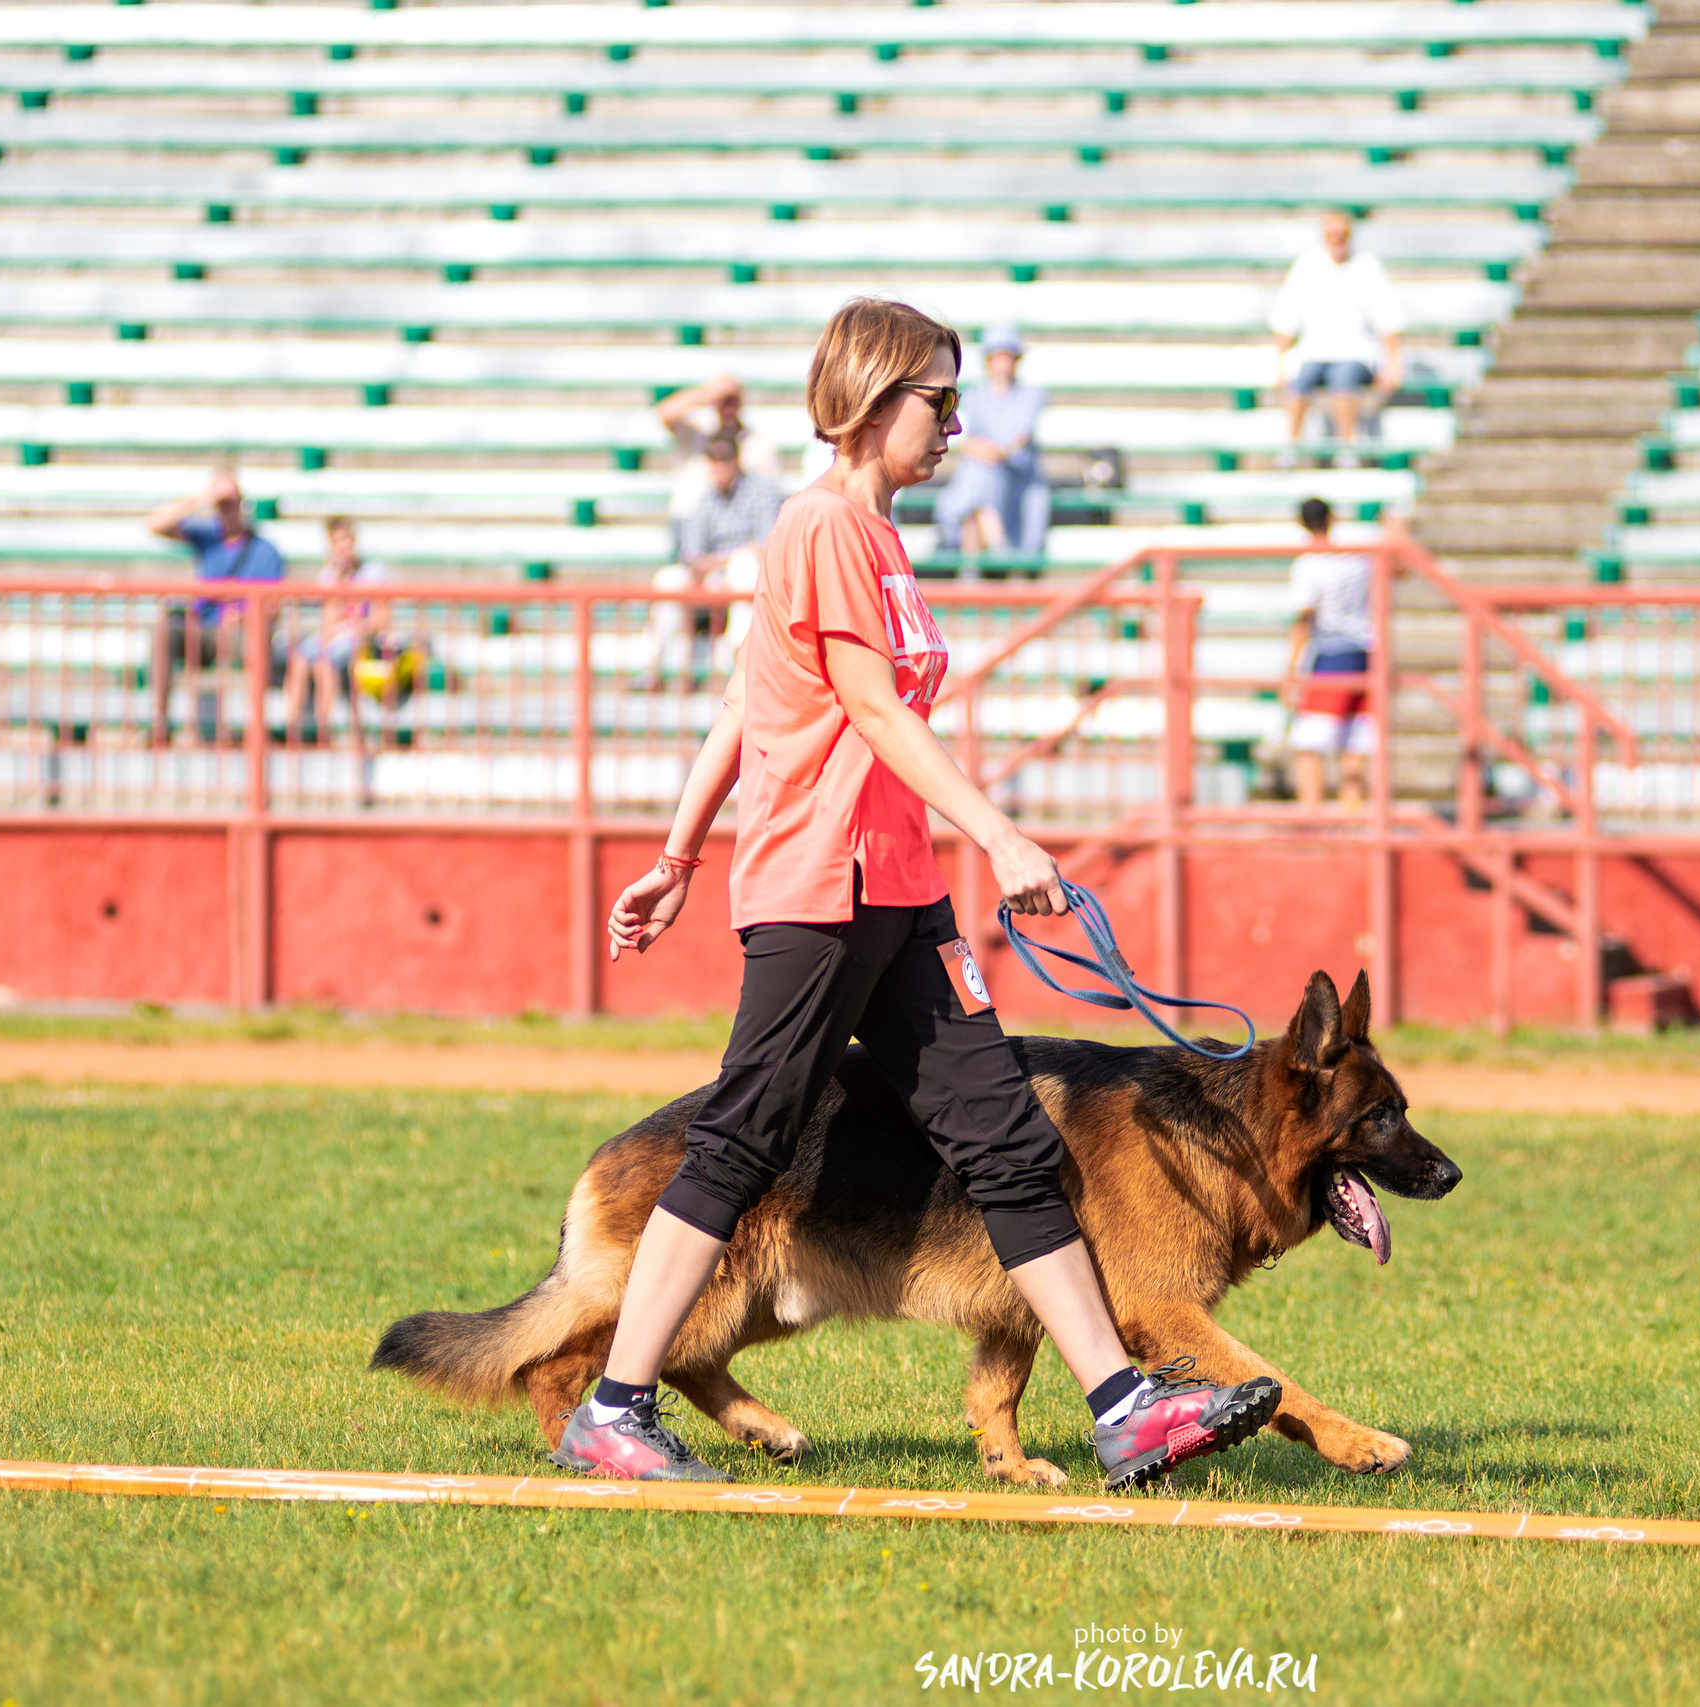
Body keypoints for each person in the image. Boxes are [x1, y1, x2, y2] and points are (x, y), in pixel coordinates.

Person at [558, 297, 1285, 1486]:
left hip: (895, 890)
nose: (956, 421)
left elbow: (746, 703)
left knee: (1007, 1141)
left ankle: (1122, 1407)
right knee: (742, 1138)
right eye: (937, 401)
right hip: (816, 885)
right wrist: (998, 835)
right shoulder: (821, 527)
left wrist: (678, 855)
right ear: (866, 401)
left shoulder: (879, 537)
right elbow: (871, 710)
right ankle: (615, 1409)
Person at [143, 467, 286, 748]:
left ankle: (255, 728)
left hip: (238, 634)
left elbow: (274, 605)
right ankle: (159, 722)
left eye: (231, 502)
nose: (226, 510)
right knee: (164, 630)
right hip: (203, 629)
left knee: (255, 643)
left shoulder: (265, 550)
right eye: (221, 504)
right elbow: (154, 524)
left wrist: (246, 615)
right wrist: (202, 497)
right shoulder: (207, 537)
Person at [1268, 211, 1403, 468]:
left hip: (1357, 352)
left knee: (1343, 379)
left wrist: (1393, 365)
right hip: (1315, 352)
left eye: (1343, 235)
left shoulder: (1367, 266)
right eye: (1332, 235)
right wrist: (1279, 363)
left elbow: (1388, 318)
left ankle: (1347, 447)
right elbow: (1286, 318)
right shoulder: (1307, 265)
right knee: (1300, 382)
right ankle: (1291, 447)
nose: (1337, 241)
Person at [651, 433, 783, 681]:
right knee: (667, 579)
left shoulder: (762, 490)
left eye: (725, 458)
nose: (719, 465)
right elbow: (691, 553)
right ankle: (653, 666)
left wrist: (719, 560)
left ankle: (740, 657)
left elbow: (769, 545)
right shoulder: (704, 497)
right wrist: (707, 565)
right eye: (713, 459)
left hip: (751, 576)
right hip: (714, 576)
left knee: (743, 566)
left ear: (737, 460)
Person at [933, 322, 1051, 568]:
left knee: (979, 483)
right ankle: (998, 551)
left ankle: (974, 571)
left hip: (1012, 477)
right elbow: (965, 439)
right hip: (983, 472)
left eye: (1007, 357)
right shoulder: (973, 395)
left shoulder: (1031, 395)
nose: (1002, 363)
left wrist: (993, 452)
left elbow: (1019, 439)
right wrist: (986, 451)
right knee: (980, 484)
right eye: (998, 357)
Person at [1282, 497, 1375, 809]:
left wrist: (1291, 669)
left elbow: (1303, 620)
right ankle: (1352, 813)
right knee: (1355, 740)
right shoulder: (1356, 559)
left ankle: (1312, 812)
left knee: (1308, 743)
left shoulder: (1310, 564)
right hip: (1365, 650)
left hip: (1333, 655)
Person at [283, 516, 392, 750]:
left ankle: (324, 728)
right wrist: (340, 584)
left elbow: (380, 619)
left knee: (325, 660)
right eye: (338, 542)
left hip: (363, 636)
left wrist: (354, 627)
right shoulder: (329, 575)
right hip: (338, 634)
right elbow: (329, 620)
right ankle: (292, 726)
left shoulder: (375, 572)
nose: (344, 547)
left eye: (347, 540)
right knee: (300, 657)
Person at [656, 373, 783, 536]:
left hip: (737, 528)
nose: (727, 406)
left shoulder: (759, 444)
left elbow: (767, 496)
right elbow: (664, 413)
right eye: (723, 400)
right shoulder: (697, 431)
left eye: (732, 399)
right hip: (690, 519)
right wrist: (706, 393)